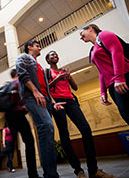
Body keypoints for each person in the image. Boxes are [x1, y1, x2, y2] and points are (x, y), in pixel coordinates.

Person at [80, 24, 129, 178]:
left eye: (81, 33)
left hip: (126, 77)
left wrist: (119, 77)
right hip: (114, 85)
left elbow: (117, 52)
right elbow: (101, 72)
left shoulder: (105, 35)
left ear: (90, 29)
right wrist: (103, 92)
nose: (80, 37)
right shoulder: (92, 49)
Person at [45, 50, 115, 178]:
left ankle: (93, 169)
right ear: (48, 60)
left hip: (71, 101)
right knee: (64, 135)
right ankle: (78, 170)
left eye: (56, 54)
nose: (55, 56)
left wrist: (69, 77)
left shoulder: (63, 71)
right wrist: (57, 79)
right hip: (57, 103)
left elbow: (75, 87)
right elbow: (46, 88)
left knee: (86, 129)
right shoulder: (48, 72)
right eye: (51, 55)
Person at [16, 40, 66, 178]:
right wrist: (35, 91)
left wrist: (52, 102)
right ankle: (50, 175)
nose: (40, 47)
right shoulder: (23, 57)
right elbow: (22, 74)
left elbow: (46, 88)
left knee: (48, 131)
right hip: (33, 96)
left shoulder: (40, 66)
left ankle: (51, 173)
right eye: (37, 45)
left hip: (45, 99)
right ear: (29, 47)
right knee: (46, 126)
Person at [3, 69, 41, 178]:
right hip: (18, 115)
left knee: (13, 144)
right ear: (17, 74)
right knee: (29, 142)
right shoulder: (17, 83)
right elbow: (22, 102)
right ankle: (33, 173)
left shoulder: (7, 85)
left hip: (9, 116)